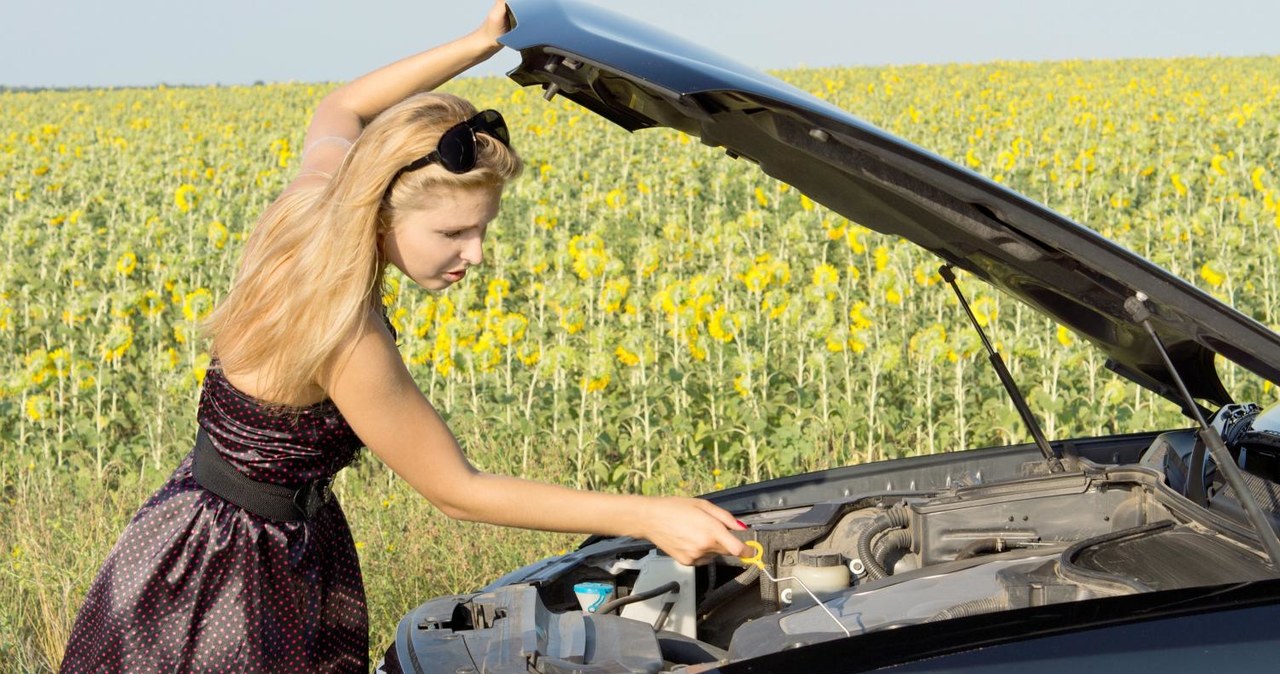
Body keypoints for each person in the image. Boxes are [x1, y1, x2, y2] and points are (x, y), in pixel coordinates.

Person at [59, 2, 748, 672]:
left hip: (189, 533)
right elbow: (456, 490)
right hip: (239, 574)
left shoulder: (306, 212)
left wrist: (477, 45)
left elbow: (342, 110)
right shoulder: (340, 331)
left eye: (482, 228)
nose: (475, 253)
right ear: (382, 211)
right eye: (453, 232)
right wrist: (647, 515)